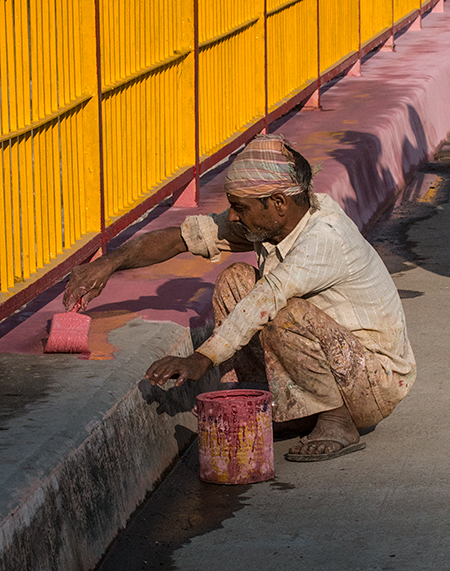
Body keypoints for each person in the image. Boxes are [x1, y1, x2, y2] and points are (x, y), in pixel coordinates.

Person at [64, 134, 416, 462]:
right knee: (236, 280)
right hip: (336, 361)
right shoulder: (275, 220)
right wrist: (110, 263)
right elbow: (181, 238)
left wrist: (200, 359)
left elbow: (266, 299)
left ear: (278, 202)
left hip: (372, 379)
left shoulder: (323, 237)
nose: (233, 216)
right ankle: (284, 406)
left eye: (239, 207)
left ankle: (338, 418)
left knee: (280, 311)